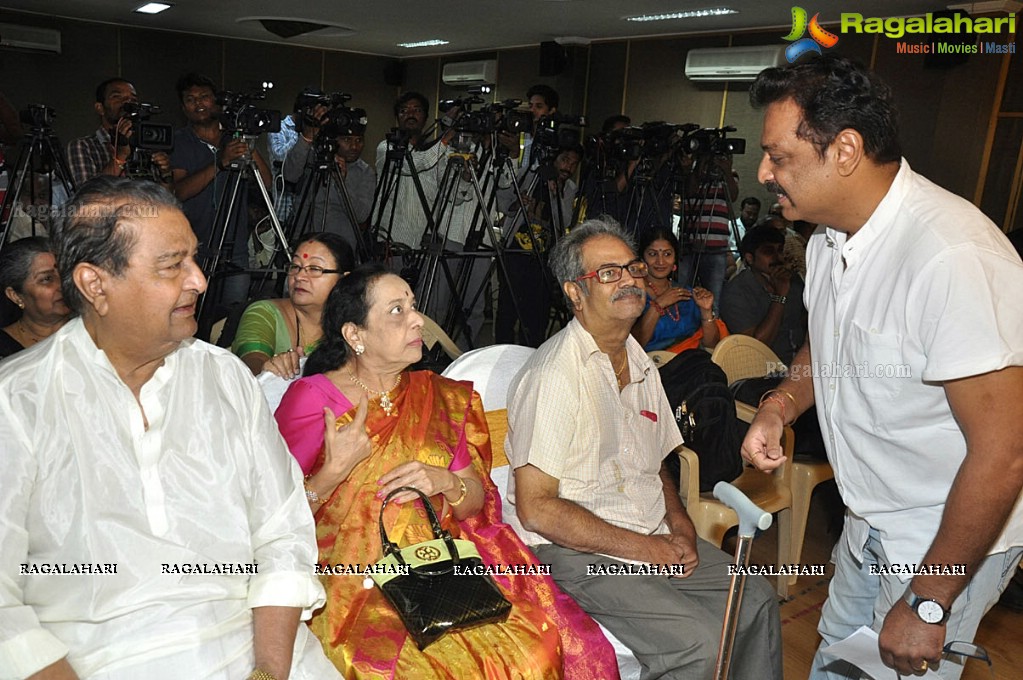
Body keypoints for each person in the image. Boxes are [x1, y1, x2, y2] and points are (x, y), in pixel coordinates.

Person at [744, 55, 1023, 680]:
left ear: (845, 150)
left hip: (941, 542)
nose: (764, 173)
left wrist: (928, 603)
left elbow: (1004, 452)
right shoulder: (827, 239)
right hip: (868, 518)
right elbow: (829, 346)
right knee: (834, 666)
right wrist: (780, 404)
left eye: (779, 156)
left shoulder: (950, 257)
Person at [0, 176, 340, 680]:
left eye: (194, 259)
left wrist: (268, 669)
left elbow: (282, 534)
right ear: (96, 285)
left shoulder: (226, 379)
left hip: (257, 651)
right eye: (171, 265)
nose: (200, 280)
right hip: (97, 662)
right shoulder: (16, 401)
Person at [273, 262, 619, 679]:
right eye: (397, 310)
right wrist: (334, 471)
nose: (418, 318)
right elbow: (274, 515)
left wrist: (447, 482)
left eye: (413, 305)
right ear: (355, 334)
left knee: (534, 653)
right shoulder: (311, 399)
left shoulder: (437, 397)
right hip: (352, 582)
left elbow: (475, 502)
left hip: (439, 571)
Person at [506, 218, 782, 680]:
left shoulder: (640, 362)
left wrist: (681, 527)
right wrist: (646, 548)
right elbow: (537, 510)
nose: (632, 280)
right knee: (700, 643)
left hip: (646, 528)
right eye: (609, 273)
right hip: (578, 552)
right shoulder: (555, 375)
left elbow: (655, 466)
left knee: (754, 596)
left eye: (632, 268)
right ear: (575, 293)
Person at [170, 72, 272, 319]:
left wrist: (248, 143)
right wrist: (221, 161)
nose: (199, 104)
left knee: (233, 319)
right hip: (195, 248)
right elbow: (179, 191)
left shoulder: (233, 137)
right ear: (184, 108)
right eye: (191, 100)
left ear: (215, 102)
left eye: (204, 97)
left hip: (235, 246)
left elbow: (267, 183)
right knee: (195, 317)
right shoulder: (179, 141)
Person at [232, 232, 355, 377]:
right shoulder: (263, 312)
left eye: (315, 269)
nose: (299, 276)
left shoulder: (357, 326)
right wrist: (268, 369)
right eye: (295, 266)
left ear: (344, 280)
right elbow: (252, 361)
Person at [495, 144, 581, 347]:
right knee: (508, 306)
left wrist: (553, 195)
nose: (568, 167)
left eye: (574, 163)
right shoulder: (531, 175)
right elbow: (503, 202)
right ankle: (501, 350)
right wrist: (520, 204)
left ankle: (532, 352)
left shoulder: (568, 188)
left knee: (537, 310)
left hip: (544, 257)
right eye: (565, 159)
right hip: (515, 250)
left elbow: (565, 221)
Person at [284, 111, 375, 256]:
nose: (354, 146)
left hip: (340, 249)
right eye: (347, 139)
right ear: (333, 140)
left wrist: (342, 182)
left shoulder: (365, 172)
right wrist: (306, 138)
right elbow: (289, 175)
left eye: (359, 140)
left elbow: (361, 215)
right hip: (304, 243)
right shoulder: (312, 158)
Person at [720, 225, 805, 366]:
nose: (777, 257)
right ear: (750, 258)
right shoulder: (736, 292)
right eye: (768, 252)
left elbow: (808, 322)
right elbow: (756, 345)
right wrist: (780, 296)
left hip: (802, 363)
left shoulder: (793, 280)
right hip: (763, 369)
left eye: (780, 250)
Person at [373, 92, 449, 251]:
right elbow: (412, 164)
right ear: (397, 118)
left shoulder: (438, 153)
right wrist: (446, 138)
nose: (410, 114)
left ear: (426, 117)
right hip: (392, 242)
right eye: (404, 111)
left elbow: (451, 191)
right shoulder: (386, 147)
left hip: (425, 241)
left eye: (417, 110)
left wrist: (466, 176)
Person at [631, 228, 725, 353]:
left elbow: (712, 345)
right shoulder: (633, 295)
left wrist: (706, 310)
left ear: (675, 259)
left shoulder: (687, 295)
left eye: (667, 254)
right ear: (642, 259)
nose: (660, 261)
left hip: (693, 364)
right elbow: (631, 347)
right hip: (653, 367)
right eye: (653, 254)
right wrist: (658, 305)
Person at [65, 77, 171, 186]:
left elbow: (168, 199)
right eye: (117, 97)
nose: (127, 102)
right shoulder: (83, 146)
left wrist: (166, 173)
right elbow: (88, 195)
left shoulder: (144, 145)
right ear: (100, 108)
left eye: (133, 99)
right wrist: (120, 155)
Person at [0, 236, 71, 359]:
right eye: (47, 279)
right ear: (15, 296)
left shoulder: (94, 330)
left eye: (64, 273)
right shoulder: (4, 350)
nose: (62, 285)